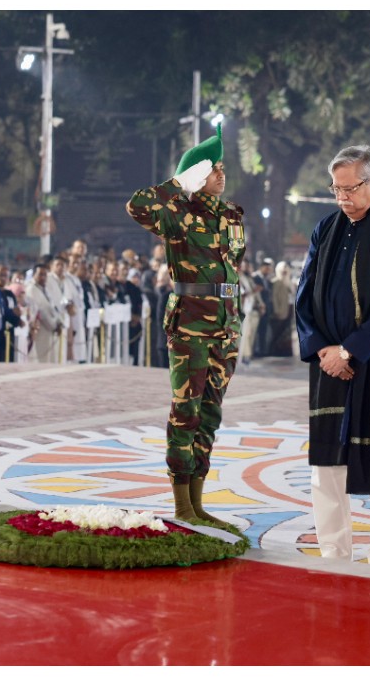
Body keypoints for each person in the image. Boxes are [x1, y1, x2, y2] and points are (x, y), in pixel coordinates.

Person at [295, 144, 370, 566]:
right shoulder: (325, 230)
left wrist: (352, 349)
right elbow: (304, 298)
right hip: (328, 365)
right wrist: (324, 350)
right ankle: (333, 552)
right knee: (326, 465)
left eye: (351, 188)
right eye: (336, 190)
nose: (343, 197)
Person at [125, 123, 246, 525]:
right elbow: (138, 205)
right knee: (185, 412)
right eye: (213, 169)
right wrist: (179, 183)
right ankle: (181, 507)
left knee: (210, 414)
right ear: (197, 175)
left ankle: (198, 504)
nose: (221, 174)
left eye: (223, 168)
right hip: (191, 324)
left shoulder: (231, 215)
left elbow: (230, 268)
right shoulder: (176, 213)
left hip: (227, 326)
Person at [25, 263, 64, 363]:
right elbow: (41, 312)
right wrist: (54, 325)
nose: (43, 277)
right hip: (41, 331)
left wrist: (59, 322)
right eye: (40, 274)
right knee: (40, 360)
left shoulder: (45, 289)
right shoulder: (31, 290)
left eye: (45, 275)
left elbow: (53, 308)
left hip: (49, 331)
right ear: (34, 275)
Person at [267, 261, 295, 357]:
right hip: (280, 311)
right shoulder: (276, 282)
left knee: (287, 332)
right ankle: (276, 352)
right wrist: (276, 310)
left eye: (286, 271)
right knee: (278, 332)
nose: (284, 272)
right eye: (282, 271)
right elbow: (274, 298)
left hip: (289, 309)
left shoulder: (289, 282)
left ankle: (286, 351)